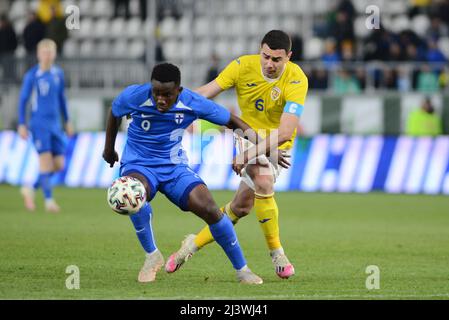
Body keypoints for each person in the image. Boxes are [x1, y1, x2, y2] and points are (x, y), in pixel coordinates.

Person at [102, 63, 289, 284]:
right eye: (156, 93)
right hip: (139, 165)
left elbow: (232, 121)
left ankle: (242, 270)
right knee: (131, 193)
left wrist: (266, 148)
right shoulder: (134, 95)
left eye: (167, 95)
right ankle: (152, 256)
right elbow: (114, 113)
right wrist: (108, 148)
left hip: (174, 168)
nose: (160, 99)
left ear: (178, 91)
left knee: (210, 209)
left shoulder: (191, 102)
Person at [166, 30, 308, 279]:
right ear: (259, 50)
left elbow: (285, 132)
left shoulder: (297, 78)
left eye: (277, 59)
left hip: (277, 145)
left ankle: (191, 244)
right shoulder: (243, 66)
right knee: (263, 179)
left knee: (241, 207)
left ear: (289, 57)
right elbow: (208, 92)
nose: (269, 64)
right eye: (265, 57)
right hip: (248, 135)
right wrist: (171, 101)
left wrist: (251, 153)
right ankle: (277, 253)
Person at [18, 39, 73, 212]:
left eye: (50, 52)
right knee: (45, 162)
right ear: (38, 54)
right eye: (44, 52)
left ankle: (30, 188)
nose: (47, 55)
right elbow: (23, 100)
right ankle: (49, 200)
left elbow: (61, 99)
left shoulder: (58, 74)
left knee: (59, 165)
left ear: (55, 54)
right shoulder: (32, 76)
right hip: (39, 124)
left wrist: (68, 121)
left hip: (55, 125)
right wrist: (22, 124)